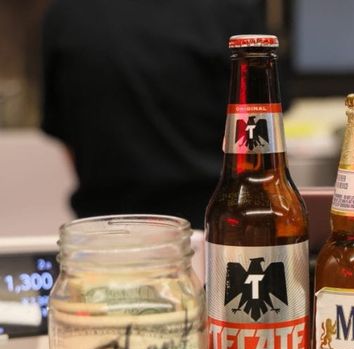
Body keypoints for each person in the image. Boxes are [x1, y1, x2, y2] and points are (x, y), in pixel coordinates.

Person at [41, 0, 265, 228]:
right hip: (215, 226)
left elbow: (64, 130)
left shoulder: (66, 14)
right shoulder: (231, 8)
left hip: (103, 229)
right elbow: (256, 130)